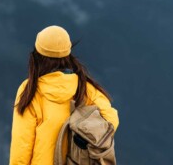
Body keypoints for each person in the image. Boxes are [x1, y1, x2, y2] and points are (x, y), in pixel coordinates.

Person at [9, 25, 119, 165]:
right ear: (68, 54)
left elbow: (21, 148)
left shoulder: (30, 90)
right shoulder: (85, 88)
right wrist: (83, 137)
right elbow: (110, 120)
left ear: (36, 55)